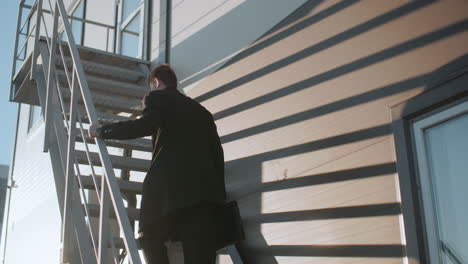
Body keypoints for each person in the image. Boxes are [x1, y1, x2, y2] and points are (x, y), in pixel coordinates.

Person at [88, 64, 227, 264]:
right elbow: (217, 156)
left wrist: (103, 131)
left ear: (156, 82)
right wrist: (218, 198)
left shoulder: (157, 97)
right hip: (206, 197)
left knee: (148, 236)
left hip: (169, 193)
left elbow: (143, 125)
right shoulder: (203, 112)